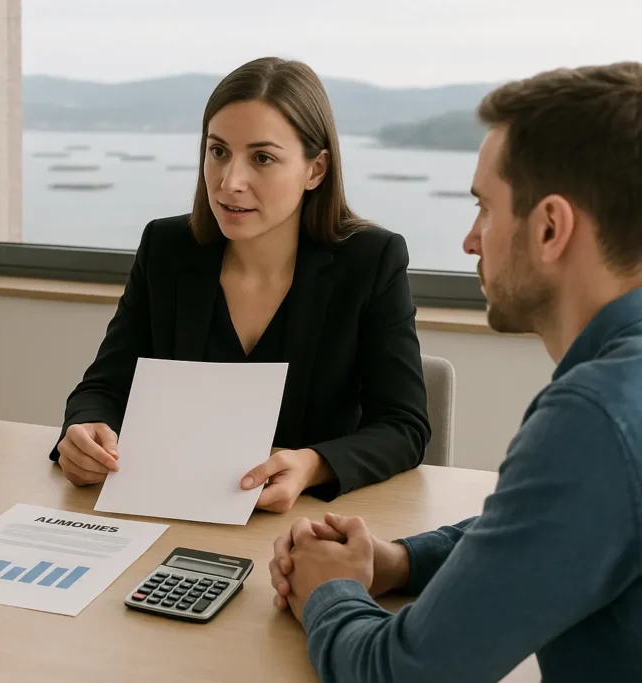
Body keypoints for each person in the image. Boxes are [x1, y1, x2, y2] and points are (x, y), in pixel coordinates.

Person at [269, 61, 642, 682]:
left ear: (550, 228)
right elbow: (533, 528)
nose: (471, 241)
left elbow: (400, 673)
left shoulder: (595, 418)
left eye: (485, 209)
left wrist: (328, 590)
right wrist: (399, 562)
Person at [50, 57, 430, 509]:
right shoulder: (167, 248)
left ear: (315, 170)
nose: (230, 182)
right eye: (218, 152)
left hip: (308, 522)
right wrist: (83, 431)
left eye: (262, 158)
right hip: (173, 509)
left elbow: (404, 426)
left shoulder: (371, 260)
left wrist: (314, 465)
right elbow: (105, 387)